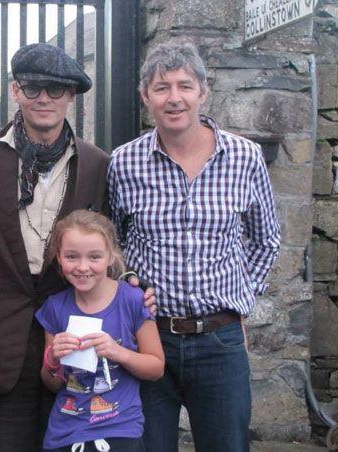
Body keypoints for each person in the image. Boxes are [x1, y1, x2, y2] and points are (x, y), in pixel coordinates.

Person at [0, 43, 155, 452]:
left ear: (71, 96)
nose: (44, 98)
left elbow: (109, 238)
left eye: (56, 89)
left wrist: (130, 278)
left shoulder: (96, 163)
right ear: (16, 91)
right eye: (33, 87)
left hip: (74, 344)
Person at [107, 41, 281, 452]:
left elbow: (266, 239)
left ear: (203, 92)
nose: (174, 98)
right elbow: (114, 244)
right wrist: (128, 281)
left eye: (185, 86)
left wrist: (243, 297)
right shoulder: (124, 163)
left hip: (220, 341)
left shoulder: (245, 157)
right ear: (145, 96)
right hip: (150, 338)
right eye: (162, 87)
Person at [35, 210, 164, 452]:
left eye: (94, 257)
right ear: (59, 258)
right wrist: (52, 359)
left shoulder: (133, 300)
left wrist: (118, 352)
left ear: (111, 256)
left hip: (120, 428)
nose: (83, 267)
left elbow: (156, 367)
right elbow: (52, 384)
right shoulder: (54, 307)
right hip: (65, 432)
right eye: (71, 257)